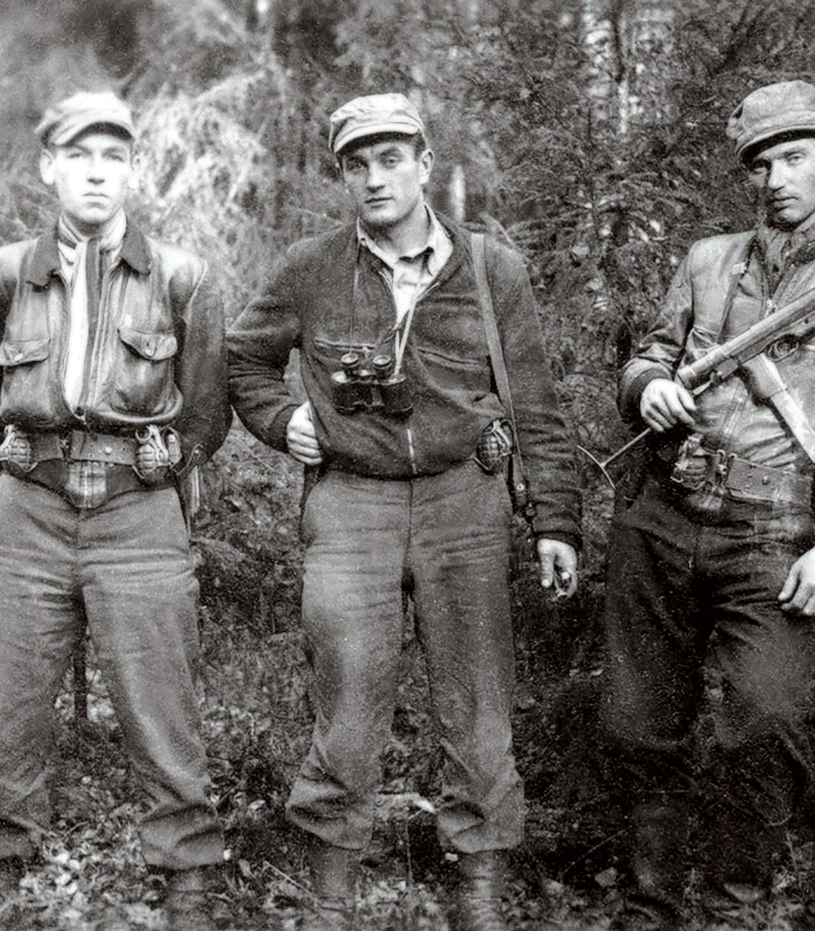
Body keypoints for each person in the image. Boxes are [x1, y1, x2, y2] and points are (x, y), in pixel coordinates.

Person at [228, 92, 582, 931]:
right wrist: (285, 421)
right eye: (358, 164)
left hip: (466, 500)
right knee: (348, 696)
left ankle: (481, 888)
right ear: (345, 176)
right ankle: (330, 890)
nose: (374, 178)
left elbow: (533, 401)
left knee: (478, 698)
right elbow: (242, 358)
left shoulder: (492, 269)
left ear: (424, 163)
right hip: (352, 502)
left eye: (391, 159)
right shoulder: (313, 267)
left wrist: (557, 521)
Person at [600, 80, 815, 930]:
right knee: (639, 721)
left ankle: (737, 906)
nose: (776, 178)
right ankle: (645, 907)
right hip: (662, 514)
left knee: (763, 723)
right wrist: (649, 385)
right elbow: (649, 353)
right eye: (761, 163)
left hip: (775, 532)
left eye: (794, 157)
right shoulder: (708, 260)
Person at [0, 89, 229, 928]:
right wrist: (16, 464)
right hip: (28, 510)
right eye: (80, 156)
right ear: (50, 168)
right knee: (14, 704)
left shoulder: (184, 277)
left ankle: (186, 876)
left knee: (160, 702)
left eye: (113, 157)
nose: (97, 173)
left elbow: (205, 411)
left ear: (133, 169)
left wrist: (166, 460)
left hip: (140, 517)